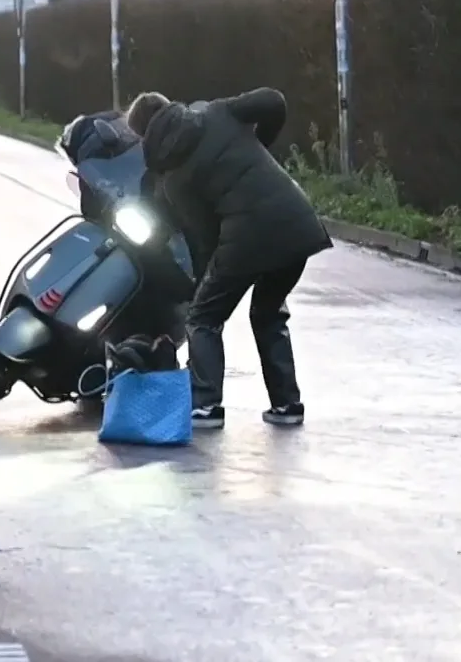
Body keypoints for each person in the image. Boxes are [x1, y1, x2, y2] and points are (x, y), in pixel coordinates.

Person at [127, 88, 331, 429]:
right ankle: (287, 404)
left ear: (143, 136)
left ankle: (206, 405)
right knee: (268, 313)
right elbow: (273, 100)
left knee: (202, 318)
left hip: (247, 239)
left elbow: (204, 238)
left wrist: (202, 286)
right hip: (297, 222)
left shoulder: (173, 180)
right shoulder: (216, 113)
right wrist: (260, 144)